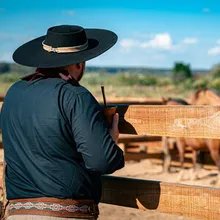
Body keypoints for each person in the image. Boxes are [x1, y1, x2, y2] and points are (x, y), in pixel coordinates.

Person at [0, 25, 125, 220]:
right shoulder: (76, 96)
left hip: (16, 213)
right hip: (64, 214)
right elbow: (102, 161)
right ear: (79, 63)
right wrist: (110, 140)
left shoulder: (13, 93)